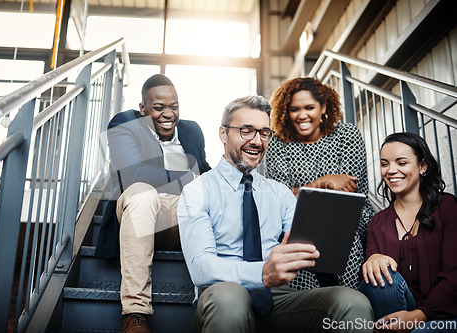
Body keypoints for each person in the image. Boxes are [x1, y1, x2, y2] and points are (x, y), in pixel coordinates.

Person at [178, 95, 373, 333]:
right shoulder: (197, 190)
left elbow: (299, 241)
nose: (257, 141)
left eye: (263, 133)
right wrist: (261, 273)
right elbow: (201, 267)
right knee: (230, 297)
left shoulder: (280, 193)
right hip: (223, 292)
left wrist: (310, 244)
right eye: (246, 131)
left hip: (278, 299)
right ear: (223, 134)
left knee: (352, 301)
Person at [95, 74, 211, 333]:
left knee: (212, 200)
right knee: (143, 192)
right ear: (143, 109)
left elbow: (207, 172)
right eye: (158, 108)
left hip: (183, 218)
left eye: (174, 106)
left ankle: (213, 307)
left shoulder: (192, 130)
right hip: (144, 214)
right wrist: (190, 178)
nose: (168, 114)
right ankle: (135, 314)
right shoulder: (125, 123)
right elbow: (133, 174)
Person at [264, 77, 375, 290]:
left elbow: (347, 191)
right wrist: (323, 182)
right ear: (286, 111)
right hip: (299, 220)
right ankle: (311, 307)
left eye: (309, 107)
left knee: (342, 231)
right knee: (296, 238)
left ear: (323, 107)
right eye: (295, 109)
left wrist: (300, 192)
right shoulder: (278, 143)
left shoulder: (347, 135)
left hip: (350, 218)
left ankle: (349, 300)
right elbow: (279, 198)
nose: (302, 115)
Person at [360, 132, 457, 332]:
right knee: (379, 277)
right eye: (385, 163)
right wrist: (374, 259)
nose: (391, 170)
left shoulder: (448, 207)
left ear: (422, 166)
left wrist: (417, 317)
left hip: (445, 314)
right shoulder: (376, 223)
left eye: (401, 163)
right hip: (397, 312)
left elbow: (454, 276)